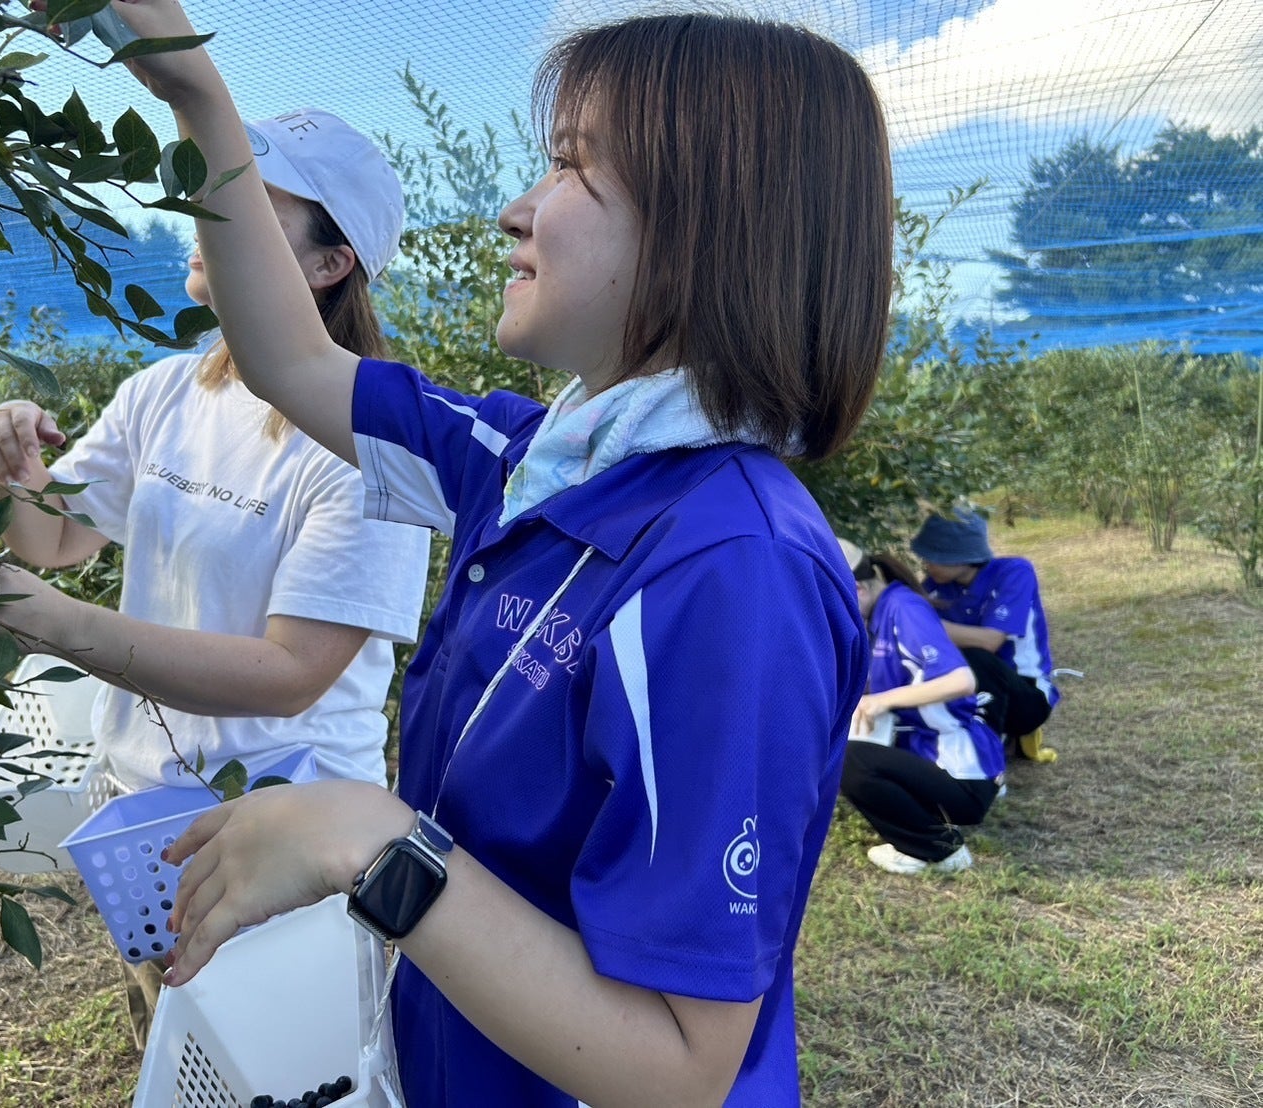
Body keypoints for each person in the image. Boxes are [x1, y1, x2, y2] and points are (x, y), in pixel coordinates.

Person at [102, 5, 893, 1105]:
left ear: (707, 225)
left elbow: (678, 1066)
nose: (516, 211)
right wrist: (192, 87)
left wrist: (376, 842)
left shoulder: (732, 570)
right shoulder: (528, 463)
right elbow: (289, 356)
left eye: (569, 166)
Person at [0, 107, 432, 1045]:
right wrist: (19, 471)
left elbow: (292, 675)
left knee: (276, 1060)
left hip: (278, 833)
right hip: (145, 816)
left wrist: (59, 623)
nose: (205, 211)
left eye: (249, 201)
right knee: (171, 1038)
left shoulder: (368, 443)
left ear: (327, 264)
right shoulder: (165, 392)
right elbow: (58, 542)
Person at [836, 539, 1005, 876]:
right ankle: (923, 825)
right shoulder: (880, 614)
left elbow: (962, 680)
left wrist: (879, 701)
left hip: (961, 774)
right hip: (934, 758)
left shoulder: (904, 609)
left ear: (858, 589)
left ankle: (937, 849)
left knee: (849, 759)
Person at [910, 506, 1060, 762]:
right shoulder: (936, 586)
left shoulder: (1014, 572)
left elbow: (990, 641)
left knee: (977, 658)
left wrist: (922, 624)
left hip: (1026, 696)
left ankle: (987, 760)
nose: (926, 564)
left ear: (961, 556)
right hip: (970, 689)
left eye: (933, 557)